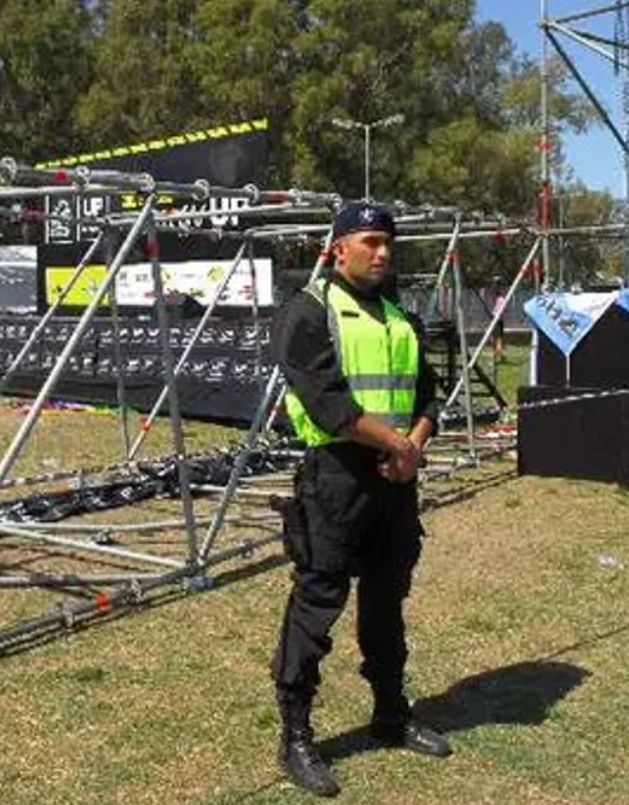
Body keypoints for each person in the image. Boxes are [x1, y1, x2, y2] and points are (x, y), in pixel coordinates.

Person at [271, 201, 450, 797]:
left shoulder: (400, 318)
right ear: (338, 247)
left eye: (388, 243)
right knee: (317, 605)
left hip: (395, 482)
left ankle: (391, 716)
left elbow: (429, 393)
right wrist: (398, 445)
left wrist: (412, 447)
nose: (383, 253)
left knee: (385, 604)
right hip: (336, 481)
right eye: (370, 241)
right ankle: (297, 736)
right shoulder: (310, 312)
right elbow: (328, 404)